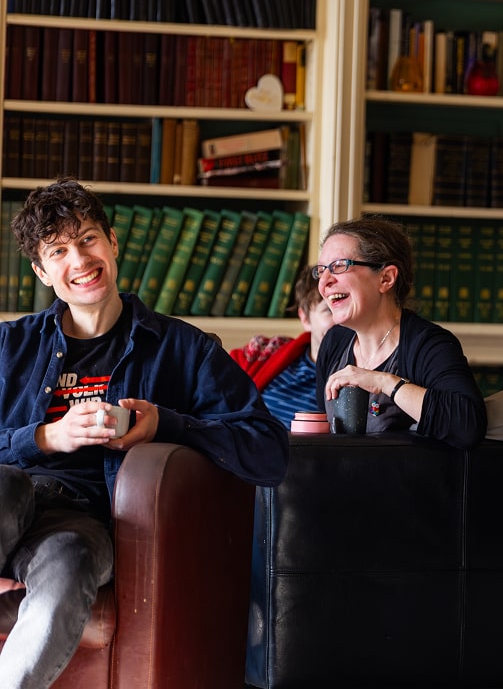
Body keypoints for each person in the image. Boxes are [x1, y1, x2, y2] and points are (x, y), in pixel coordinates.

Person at [0, 179, 289, 687]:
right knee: (7, 484)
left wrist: (166, 424)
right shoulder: (9, 346)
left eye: (88, 239)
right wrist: (44, 438)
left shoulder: (184, 350)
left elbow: (267, 451)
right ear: (42, 272)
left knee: (73, 558)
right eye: (59, 251)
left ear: (113, 242)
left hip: (82, 519)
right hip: (7, 496)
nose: (80, 260)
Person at [313, 217, 486, 448]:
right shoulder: (334, 342)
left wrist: (385, 382)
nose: (324, 282)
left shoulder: (429, 344)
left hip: (405, 481)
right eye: (321, 270)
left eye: (339, 266)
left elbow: (468, 425)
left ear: (386, 278)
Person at [231, 264, 335, 427]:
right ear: (305, 318)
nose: (341, 318)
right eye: (329, 309)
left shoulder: (359, 376)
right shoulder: (265, 353)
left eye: (344, 304)